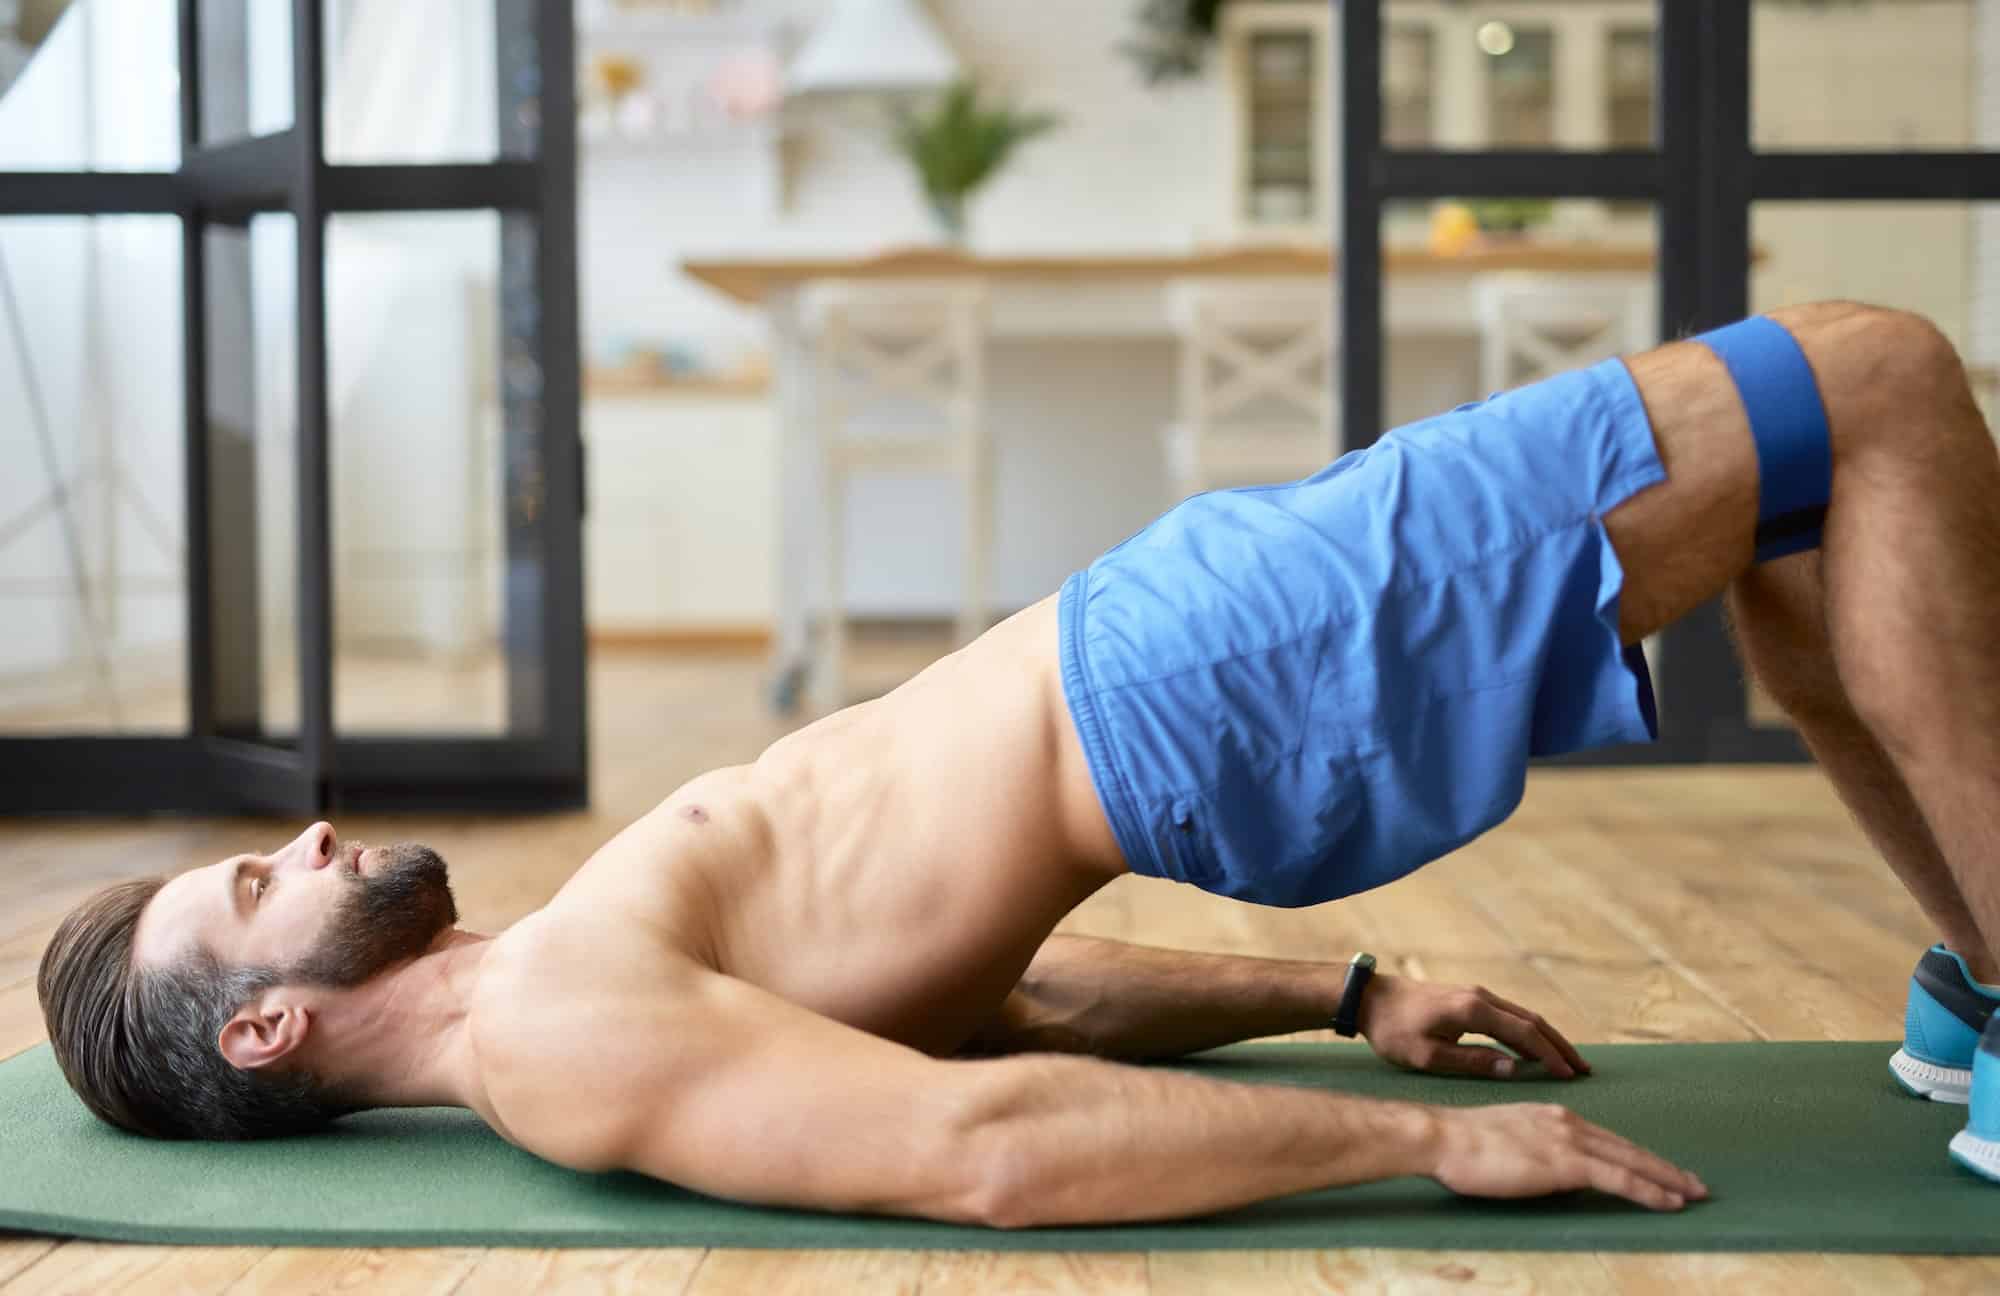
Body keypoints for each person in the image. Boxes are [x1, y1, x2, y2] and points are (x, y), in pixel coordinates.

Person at [38, 301, 2000, 1225]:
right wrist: (1420, 1145)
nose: (296, 839)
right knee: (1870, 378)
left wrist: (1339, 991)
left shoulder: (562, 990)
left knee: (1801, 510)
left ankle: (1967, 997)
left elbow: (1005, 1007)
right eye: (248, 889)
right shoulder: (558, 1034)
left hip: (1168, 665)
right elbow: (980, 1148)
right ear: (265, 1034)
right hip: (1195, 668)